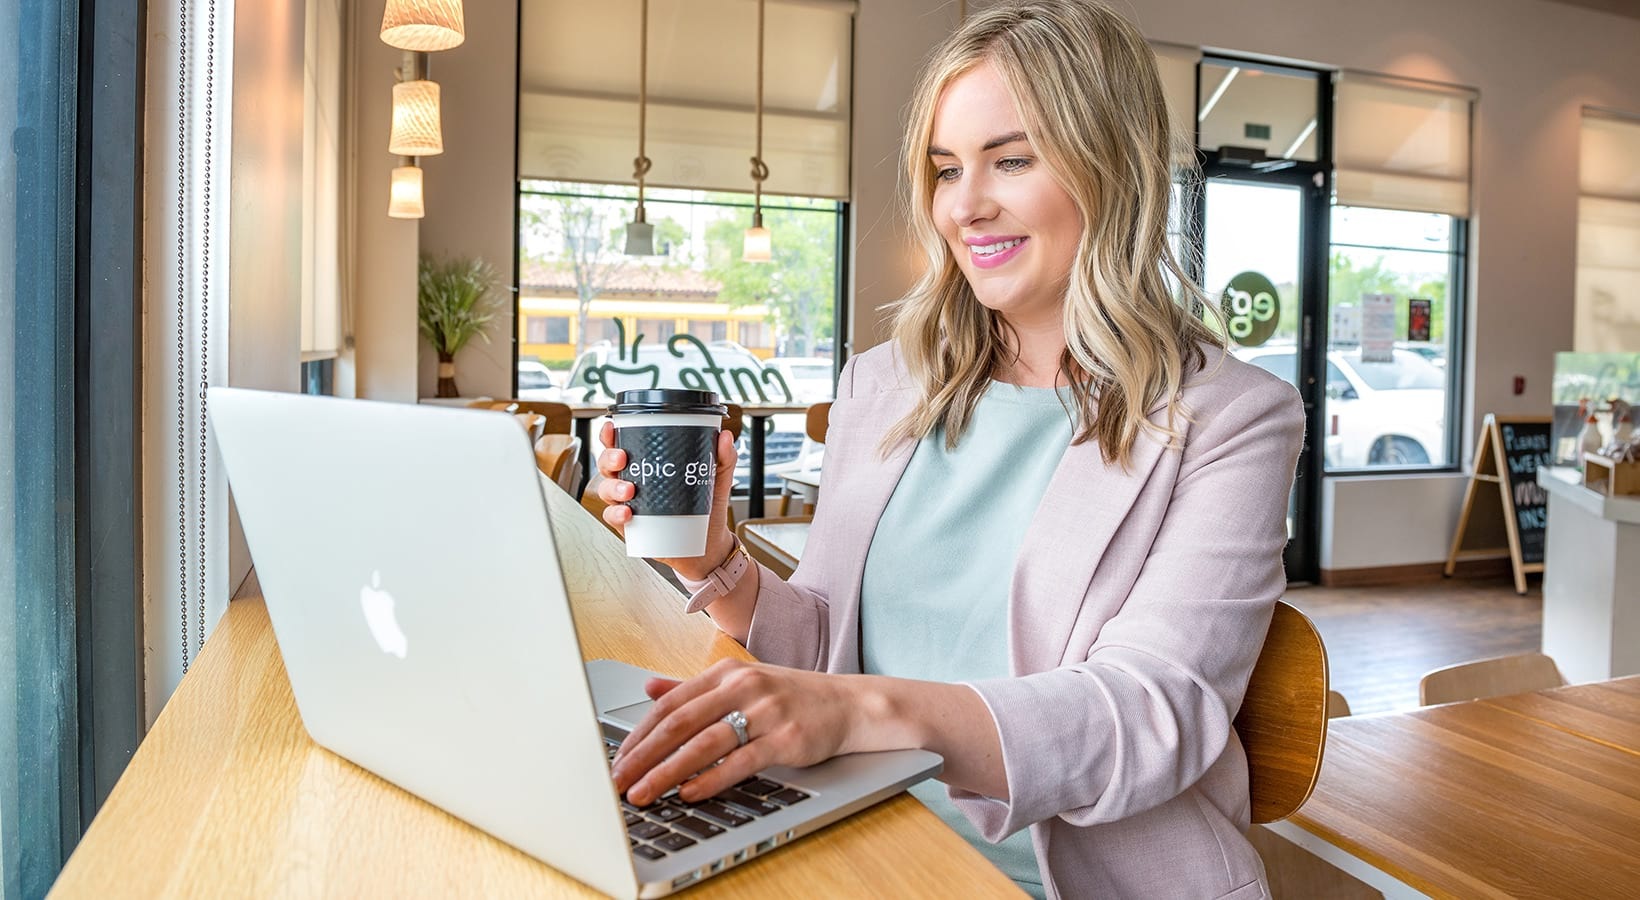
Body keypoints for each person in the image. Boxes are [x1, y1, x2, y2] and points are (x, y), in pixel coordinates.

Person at [593, 2, 1304, 896]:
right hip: (856, 838)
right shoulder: (885, 384)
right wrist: (718, 564)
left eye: (1011, 159)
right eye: (944, 169)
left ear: (1112, 166)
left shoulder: (1231, 417)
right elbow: (824, 644)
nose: (965, 206)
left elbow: (1151, 713)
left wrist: (858, 713)